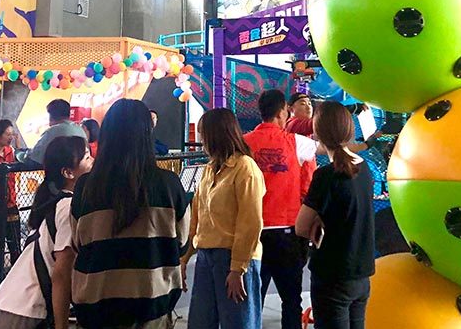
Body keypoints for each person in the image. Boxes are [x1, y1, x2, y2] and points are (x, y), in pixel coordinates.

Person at [70, 99, 190, 329]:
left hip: (96, 311)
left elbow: (79, 243)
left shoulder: (86, 187)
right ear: (147, 135)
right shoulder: (169, 185)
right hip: (152, 310)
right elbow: (181, 244)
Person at [0, 135, 93, 329]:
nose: (93, 162)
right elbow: (62, 272)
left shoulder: (56, 203)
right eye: (87, 158)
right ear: (68, 172)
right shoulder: (69, 207)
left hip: (10, 307)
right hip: (24, 314)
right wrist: (61, 326)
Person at [295, 102, 375, 329]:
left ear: (317, 132)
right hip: (361, 273)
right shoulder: (365, 168)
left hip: (332, 274)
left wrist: (319, 222)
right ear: (350, 130)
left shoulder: (325, 175)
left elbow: (301, 227)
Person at [184, 108, 265, 329]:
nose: (201, 142)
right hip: (206, 255)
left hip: (235, 258)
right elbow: (197, 216)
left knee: (238, 322)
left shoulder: (245, 168)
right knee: (200, 323)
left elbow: (250, 222)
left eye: (204, 135)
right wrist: (185, 258)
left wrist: (237, 268)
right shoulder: (209, 169)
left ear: (217, 135)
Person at [243, 91, 318, 329]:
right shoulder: (297, 143)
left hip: (253, 233)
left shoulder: (243, 143)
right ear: (281, 112)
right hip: (287, 231)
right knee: (291, 300)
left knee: (252, 300)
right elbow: (324, 153)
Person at [0, 119, 23, 264]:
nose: (10, 138)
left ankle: (16, 273)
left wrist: (19, 146)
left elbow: (22, 162)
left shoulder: (11, 152)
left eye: (12, 134)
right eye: (8, 134)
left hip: (11, 202)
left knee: (15, 242)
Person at [28, 99, 86, 165]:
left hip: (60, 173)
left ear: (51, 116)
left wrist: (20, 155)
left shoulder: (53, 131)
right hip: (82, 172)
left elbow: (35, 157)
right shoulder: (79, 130)